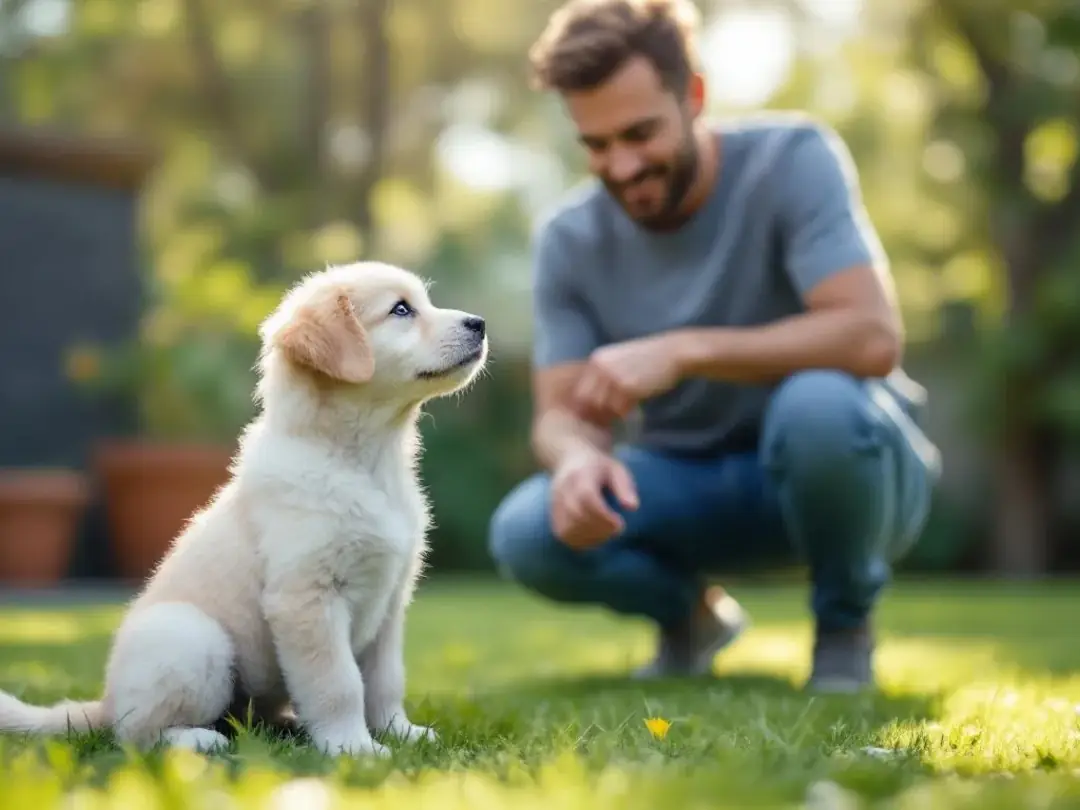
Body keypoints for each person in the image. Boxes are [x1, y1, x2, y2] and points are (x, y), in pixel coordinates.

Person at [487, 0, 941, 693]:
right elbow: (558, 414)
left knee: (817, 405)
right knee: (526, 528)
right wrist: (577, 459)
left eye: (641, 133)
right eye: (598, 145)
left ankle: (845, 631)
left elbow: (872, 336)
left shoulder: (792, 159)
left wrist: (684, 349)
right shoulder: (569, 239)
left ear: (693, 95)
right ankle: (692, 620)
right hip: (688, 487)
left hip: (851, 471)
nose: (623, 165)